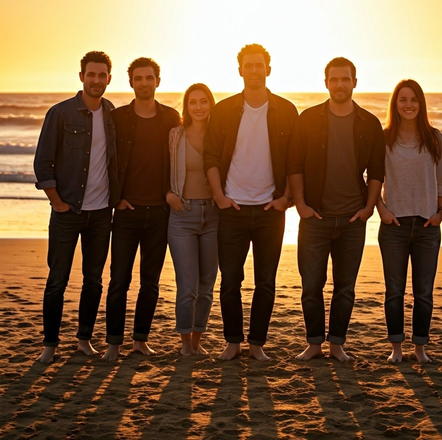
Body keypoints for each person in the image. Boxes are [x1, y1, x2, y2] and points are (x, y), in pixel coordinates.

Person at [204, 44, 298, 361]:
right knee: (230, 281)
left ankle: (257, 344)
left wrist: (287, 198)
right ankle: (233, 342)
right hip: (233, 210)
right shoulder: (224, 110)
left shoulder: (286, 110)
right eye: (249, 65)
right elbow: (212, 156)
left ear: (268, 69)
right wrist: (219, 196)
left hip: (271, 211)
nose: (254, 70)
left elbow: (296, 160)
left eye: (259, 65)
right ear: (240, 69)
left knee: (266, 283)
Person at [288, 57, 385, 361]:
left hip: (352, 219)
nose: (340, 85)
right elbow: (295, 164)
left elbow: (377, 170)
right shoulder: (308, 119)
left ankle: (337, 345)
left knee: (345, 288)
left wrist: (369, 207)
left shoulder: (369, 123)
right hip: (315, 218)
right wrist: (301, 204)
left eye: (346, 79)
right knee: (311, 286)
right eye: (334, 79)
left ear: (354, 82)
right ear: (326, 82)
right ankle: (314, 343)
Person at [34, 51, 119, 363]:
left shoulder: (112, 114)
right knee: (58, 279)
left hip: (100, 215)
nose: (96, 80)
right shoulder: (61, 113)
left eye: (102, 75)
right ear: (82, 76)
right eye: (91, 75)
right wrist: (57, 203)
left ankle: (84, 339)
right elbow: (43, 163)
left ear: (109, 79)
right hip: (67, 211)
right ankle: (50, 345)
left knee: (93, 280)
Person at [102, 57, 181, 361]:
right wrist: (115, 199)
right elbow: (106, 160)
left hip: (160, 213)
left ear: (157, 81)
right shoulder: (118, 117)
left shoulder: (172, 117)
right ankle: (113, 343)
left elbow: (181, 160)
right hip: (126, 211)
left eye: (149, 78)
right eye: (138, 78)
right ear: (131, 82)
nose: (144, 83)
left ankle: (140, 340)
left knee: (150, 281)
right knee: (119, 280)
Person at [376, 79, 442, 363]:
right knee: (394, 292)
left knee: (424, 294)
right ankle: (396, 349)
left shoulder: (434, 137)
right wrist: (381, 208)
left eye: (414, 99)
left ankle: (420, 349)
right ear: (395, 104)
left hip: (428, 226)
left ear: (421, 104)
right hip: (393, 226)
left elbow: (441, 178)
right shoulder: (384, 138)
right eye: (403, 99)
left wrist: (440, 213)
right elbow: (371, 178)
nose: (408, 105)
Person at [166, 83, 218, 356]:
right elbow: (160, 167)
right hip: (182, 216)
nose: (198, 107)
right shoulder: (175, 135)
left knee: (207, 286)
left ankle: (198, 342)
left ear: (211, 104)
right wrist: (167, 193)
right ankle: (186, 345)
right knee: (187, 286)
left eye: (203, 101)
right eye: (192, 102)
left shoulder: (220, 135)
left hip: (214, 216)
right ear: (186, 107)